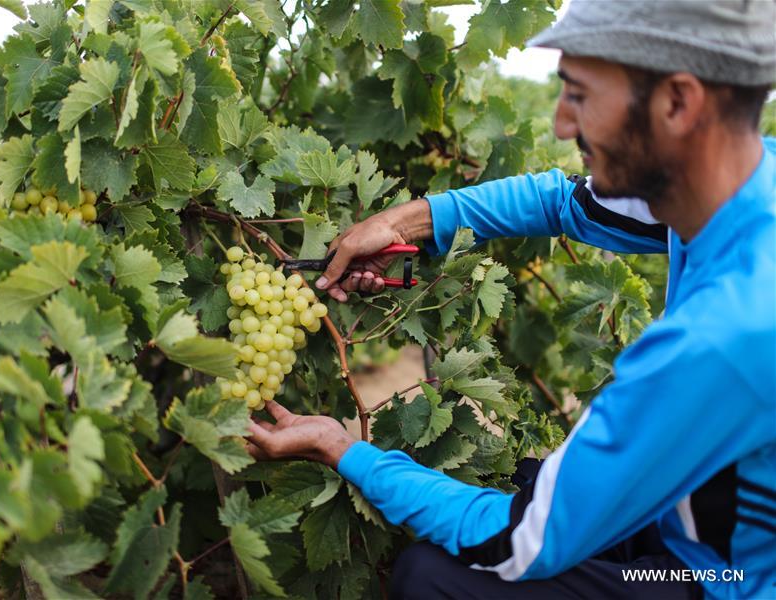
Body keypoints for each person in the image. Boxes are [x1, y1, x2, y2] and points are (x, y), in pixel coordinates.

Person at [246, 0, 776, 598]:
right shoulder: (739, 187)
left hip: (723, 577)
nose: (560, 125)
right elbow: (563, 201)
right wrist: (408, 221)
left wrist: (342, 448)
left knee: (433, 579)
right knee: (536, 481)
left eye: (578, 94)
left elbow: (527, 541)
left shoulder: (727, 334)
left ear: (678, 104)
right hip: (698, 523)